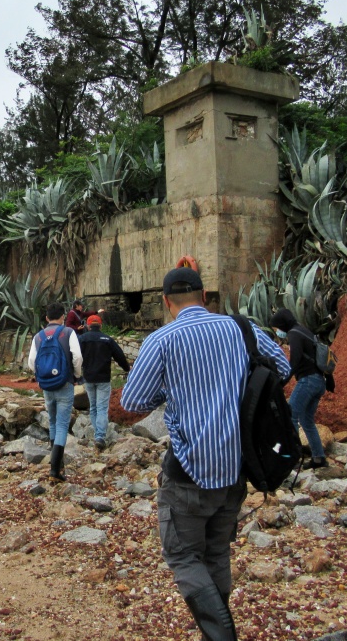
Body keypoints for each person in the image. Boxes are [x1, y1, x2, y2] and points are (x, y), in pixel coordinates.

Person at [123, 267, 290, 641]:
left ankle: (221, 636)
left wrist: (172, 392)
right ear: (203, 296)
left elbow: (133, 400)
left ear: (167, 303)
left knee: (183, 557)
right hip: (236, 468)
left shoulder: (162, 340)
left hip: (189, 469)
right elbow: (282, 367)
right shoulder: (240, 328)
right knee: (216, 555)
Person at [270, 308, 335, 469]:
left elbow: (295, 360)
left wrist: (283, 381)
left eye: (276, 328)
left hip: (308, 380)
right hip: (319, 381)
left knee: (290, 415)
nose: (277, 332)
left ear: (281, 324)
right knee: (306, 421)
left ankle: (290, 456)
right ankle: (319, 458)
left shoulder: (293, 334)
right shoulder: (303, 330)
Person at [28, 302, 83, 481]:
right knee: (61, 425)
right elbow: (77, 357)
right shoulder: (68, 332)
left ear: (46, 318)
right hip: (64, 384)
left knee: (52, 422)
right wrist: (76, 375)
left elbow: (31, 362)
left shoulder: (38, 336)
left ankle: (57, 467)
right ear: (63, 317)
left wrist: (41, 377)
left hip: (47, 386)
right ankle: (55, 470)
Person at [78, 314, 130, 450]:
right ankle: (100, 436)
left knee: (93, 407)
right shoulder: (107, 339)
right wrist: (127, 368)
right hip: (103, 379)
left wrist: (75, 373)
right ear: (100, 325)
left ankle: (97, 434)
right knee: (101, 408)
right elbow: (120, 355)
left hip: (88, 378)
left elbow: (75, 357)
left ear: (88, 326)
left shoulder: (82, 339)